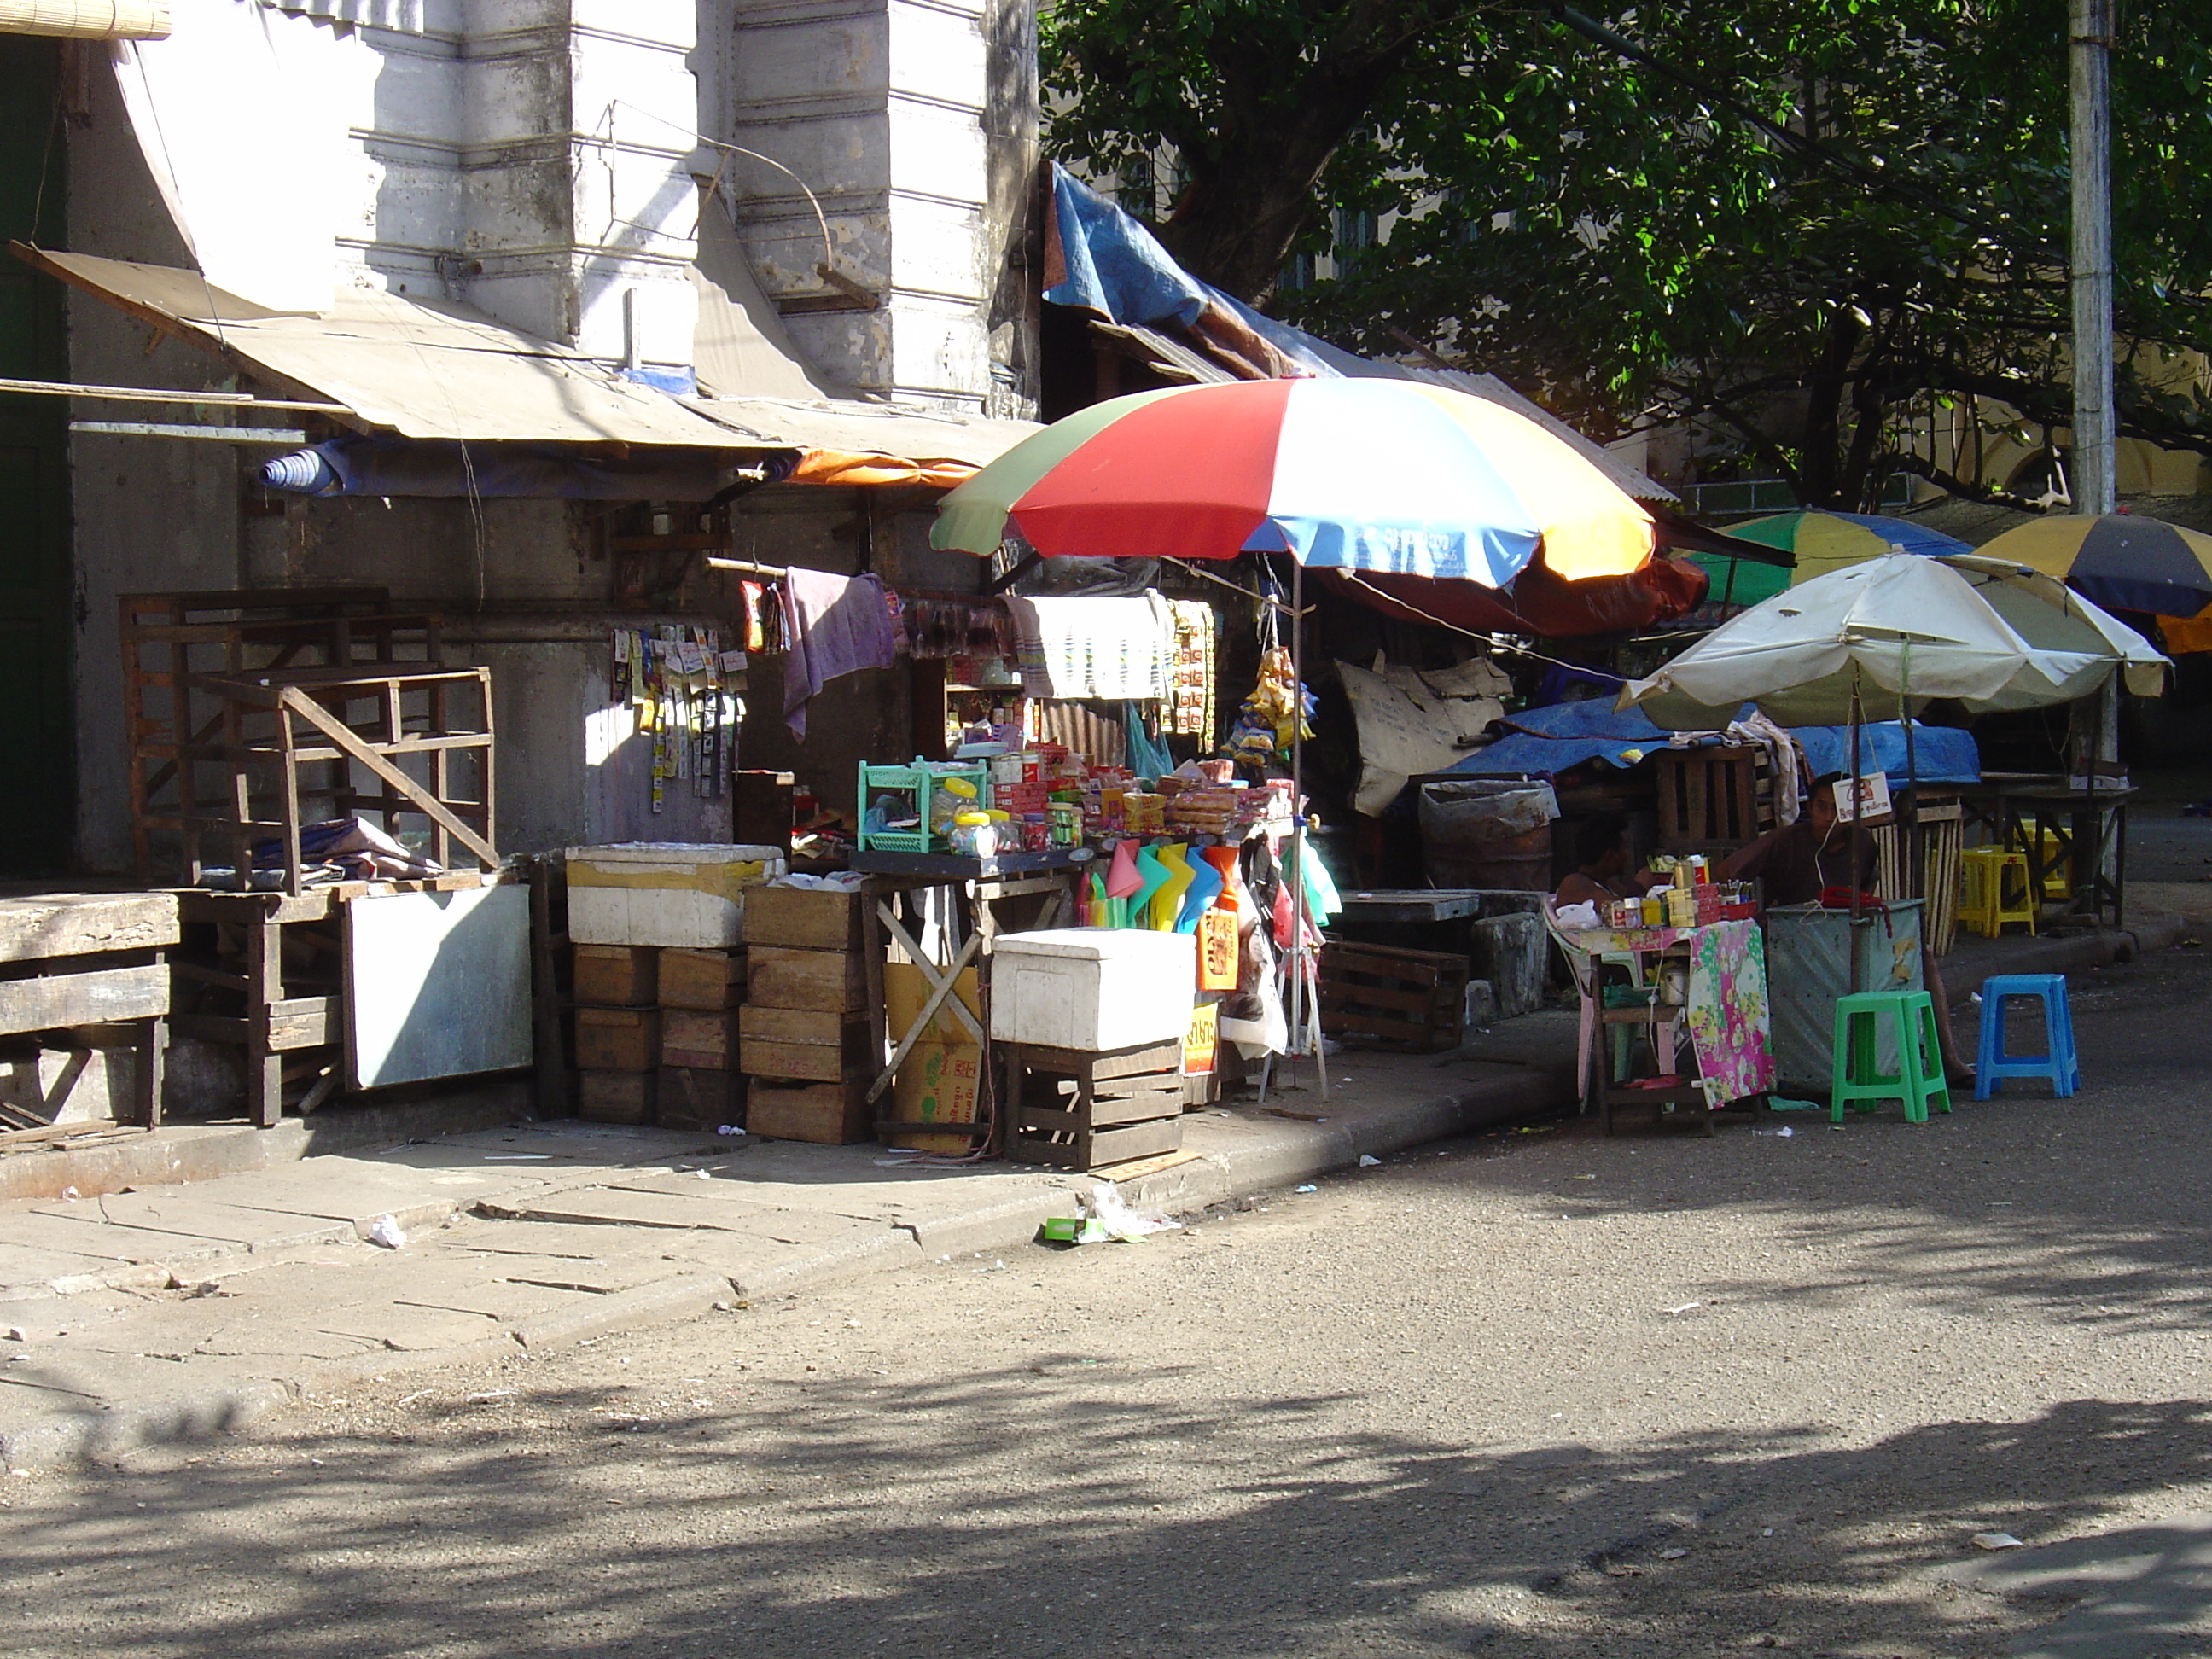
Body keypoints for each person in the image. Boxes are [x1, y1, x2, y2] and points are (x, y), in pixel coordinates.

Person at [1718, 773, 1875, 906]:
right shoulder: (1783, 840)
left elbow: (1868, 885)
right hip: (1789, 928)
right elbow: (1726, 871)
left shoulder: (1862, 842)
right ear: (1810, 807)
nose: (1829, 817)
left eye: (1837, 809)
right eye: (1821, 807)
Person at [1555, 812, 1658, 909]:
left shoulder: (1609, 884)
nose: (1627, 855)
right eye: (1624, 849)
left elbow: (1626, 898)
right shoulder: (1574, 883)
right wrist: (1639, 886)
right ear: (1610, 855)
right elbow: (1617, 908)